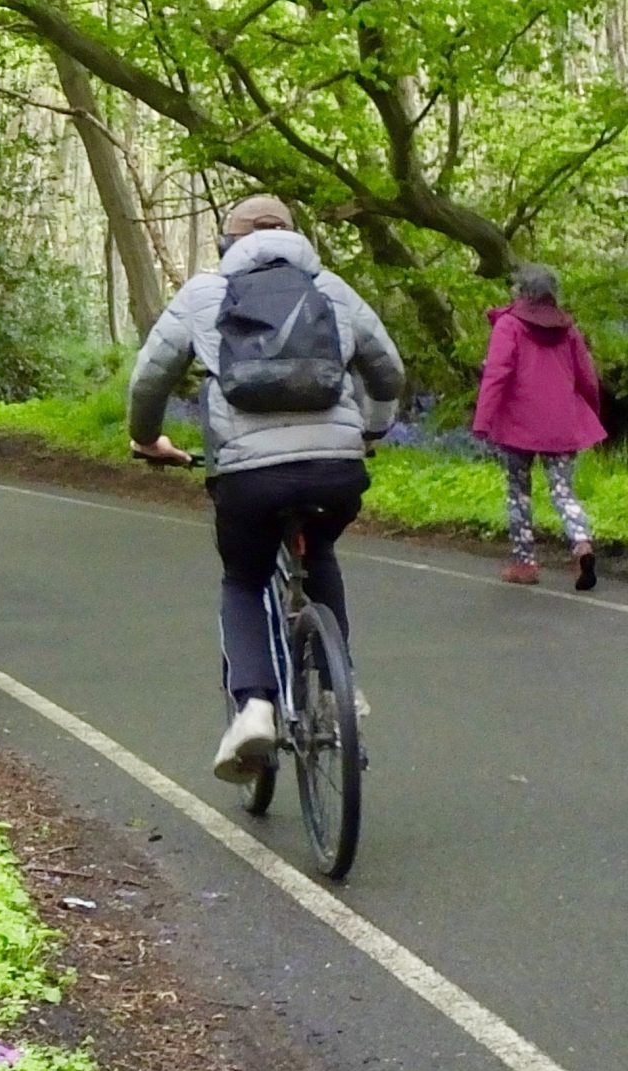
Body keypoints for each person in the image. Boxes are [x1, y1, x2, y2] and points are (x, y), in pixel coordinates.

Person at [126, 195, 406, 783]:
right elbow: (388, 372)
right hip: (336, 466)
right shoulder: (332, 289)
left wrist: (149, 439)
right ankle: (339, 690)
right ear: (296, 237)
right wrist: (371, 428)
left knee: (244, 576)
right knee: (321, 550)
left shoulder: (204, 294)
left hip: (248, 476)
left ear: (228, 244)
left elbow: (150, 377)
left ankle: (254, 704)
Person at [472, 263, 605, 590]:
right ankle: (581, 543)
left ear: (521, 291)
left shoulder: (509, 325)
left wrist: (482, 420)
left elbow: (497, 375)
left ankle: (525, 562)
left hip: (518, 424)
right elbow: (587, 377)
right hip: (561, 423)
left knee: (519, 492)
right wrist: (592, 412)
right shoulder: (568, 328)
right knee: (563, 491)